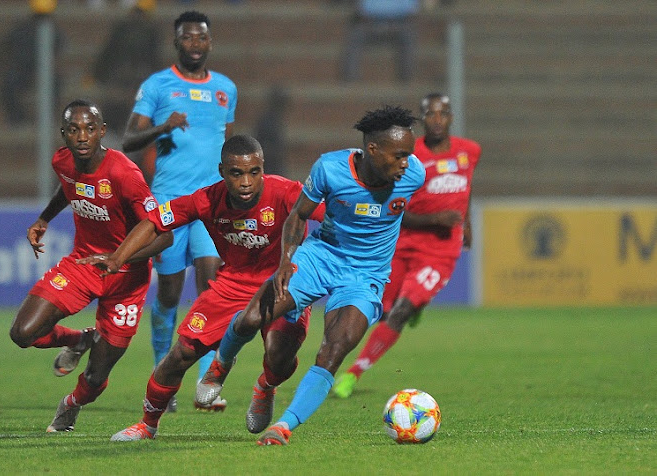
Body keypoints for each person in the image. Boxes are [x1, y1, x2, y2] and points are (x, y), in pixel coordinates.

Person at [194, 105, 426, 445]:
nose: (407, 163)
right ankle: (221, 364)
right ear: (373, 150)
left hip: (365, 275)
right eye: (400, 155)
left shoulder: (413, 175)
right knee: (251, 318)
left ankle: (281, 424)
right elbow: (298, 216)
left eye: (410, 154)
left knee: (333, 351)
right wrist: (287, 259)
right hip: (320, 257)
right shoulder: (330, 169)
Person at [76, 134, 325, 441]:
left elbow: (335, 217)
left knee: (278, 359)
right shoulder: (206, 199)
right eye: (237, 173)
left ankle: (265, 386)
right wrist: (117, 258)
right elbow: (154, 222)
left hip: (283, 284)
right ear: (222, 171)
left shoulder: (288, 192)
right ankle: (147, 425)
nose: (246, 182)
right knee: (180, 354)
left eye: (253, 172)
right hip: (231, 286)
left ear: (263, 168)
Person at [8, 99, 172, 433]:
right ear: (63, 134)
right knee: (23, 333)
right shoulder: (62, 161)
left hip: (128, 279)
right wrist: (44, 218)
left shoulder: (124, 173)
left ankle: (72, 404)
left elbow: (163, 238)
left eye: (89, 129)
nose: (82, 136)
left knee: (96, 378)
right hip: (83, 265)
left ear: (102, 132)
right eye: (74, 129)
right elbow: (69, 187)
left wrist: (118, 259)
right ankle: (79, 340)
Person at [121, 10, 237, 411]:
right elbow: (128, 140)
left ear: (209, 42)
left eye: (201, 38)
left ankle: (207, 385)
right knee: (169, 293)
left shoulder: (225, 89)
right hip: (170, 202)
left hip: (211, 204)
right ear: (177, 42)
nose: (195, 44)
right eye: (187, 38)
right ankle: (161, 371)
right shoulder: (158, 85)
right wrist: (163, 127)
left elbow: (225, 145)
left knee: (212, 288)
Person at [332, 93, 481, 398]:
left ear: (451, 117)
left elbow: (467, 186)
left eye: (442, 114)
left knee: (400, 311)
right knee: (381, 312)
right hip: (403, 243)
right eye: (430, 114)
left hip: (440, 252)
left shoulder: (469, 151)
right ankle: (414, 303)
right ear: (422, 119)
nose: (436, 120)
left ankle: (352, 374)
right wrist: (436, 219)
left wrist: (466, 223)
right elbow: (395, 210)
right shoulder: (409, 161)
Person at [0, 0, 65, 126]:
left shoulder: (54, 31)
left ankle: (47, 120)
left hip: (42, 70)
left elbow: (59, 49)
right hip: (22, 70)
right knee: (8, 85)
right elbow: (4, 47)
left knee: (55, 83)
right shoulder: (22, 28)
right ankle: (18, 120)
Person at [90, 0, 161, 137]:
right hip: (125, 79)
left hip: (132, 78)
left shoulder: (147, 31)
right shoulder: (126, 29)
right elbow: (109, 54)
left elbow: (107, 54)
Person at [341, 0, 420, 83]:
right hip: (371, 22)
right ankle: (350, 81)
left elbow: (411, 10)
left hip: (399, 23)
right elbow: (361, 8)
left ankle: (406, 80)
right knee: (356, 34)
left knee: (408, 35)